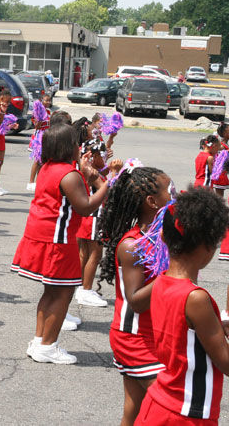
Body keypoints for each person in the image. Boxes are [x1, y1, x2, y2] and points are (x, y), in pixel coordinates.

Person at [11, 124, 108, 364]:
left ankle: (39, 340)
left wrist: (84, 175)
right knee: (63, 293)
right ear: (69, 147)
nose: (79, 147)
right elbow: (85, 207)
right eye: (76, 144)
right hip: (58, 240)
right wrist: (109, 183)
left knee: (50, 292)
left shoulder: (48, 167)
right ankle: (48, 346)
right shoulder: (69, 173)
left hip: (42, 235)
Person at [136, 187, 229, 425]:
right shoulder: (196, 298)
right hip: (187, 412)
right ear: (208, 246)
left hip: (161, 402)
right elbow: (226, 362)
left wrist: (219, 327)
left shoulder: (160, 282)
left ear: (165, 237)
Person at [98, 165, 170, 425]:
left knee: (134, 409)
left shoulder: (160, 237)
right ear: (152, 202)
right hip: (135, 338)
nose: (173, 197)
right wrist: (175, 270)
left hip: (156, 333)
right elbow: (136, 300)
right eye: (169, 191)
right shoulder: (132, 244)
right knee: (171, 408)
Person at [74, 139, 117, 308]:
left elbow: (101, 173)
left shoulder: (87, 168)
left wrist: (107, 169)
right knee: (95, 254)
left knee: (84, 253)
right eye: (103, 155)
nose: (105, 158)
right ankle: (86, 290)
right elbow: (107, 190)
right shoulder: (93, 172)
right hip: (94, 216)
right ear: (94, 156)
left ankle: (79, 285)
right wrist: (114, 172)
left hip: (86, 217)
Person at [26, 94, 52, 192]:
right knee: (37, 161)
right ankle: (31, 182)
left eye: (49, 101)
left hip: (46, 137)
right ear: (41, 101)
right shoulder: (37, 112)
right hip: (38, 138)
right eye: (46, 100)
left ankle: (39, 181)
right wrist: (40, 119)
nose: (48, 102)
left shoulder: (49, 112)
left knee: (43, 161)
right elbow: (36, 126)